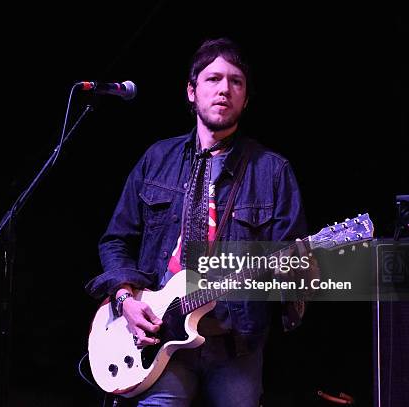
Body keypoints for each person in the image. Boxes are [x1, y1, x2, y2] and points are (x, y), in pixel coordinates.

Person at [86, 37, 311, 407]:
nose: (225, 89)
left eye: (236, 82)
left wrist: (296, 274)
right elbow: (115, 240)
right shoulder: (157, 158)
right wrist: (125, 297)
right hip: (158, 337)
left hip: (233, 344)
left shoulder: (273, 171)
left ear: (246, 98)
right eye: (213, 79)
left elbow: (295, 267)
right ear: (191, 91)